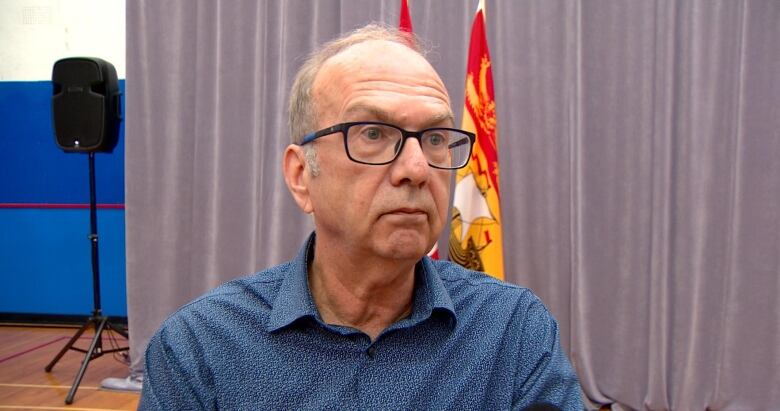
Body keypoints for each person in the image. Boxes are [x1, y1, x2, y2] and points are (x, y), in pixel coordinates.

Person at [138, 24, 583, 410]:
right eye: (372, 133)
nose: (416, 169)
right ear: (300, 176)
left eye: (434, 138)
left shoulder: (512, 331)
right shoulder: (201, 349)